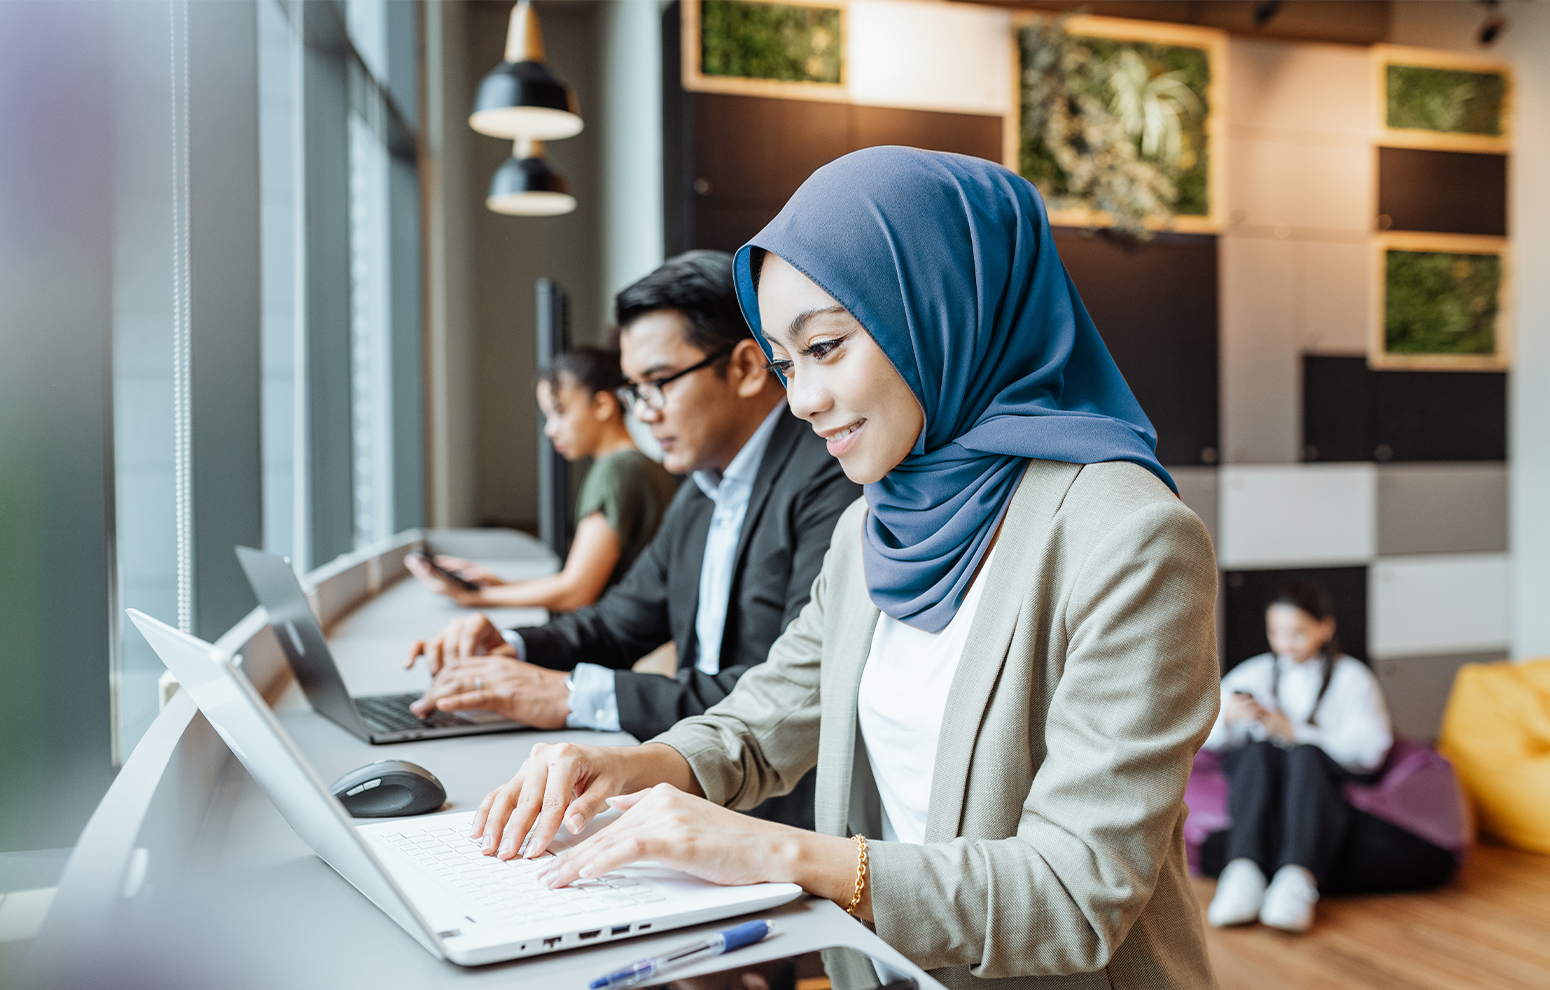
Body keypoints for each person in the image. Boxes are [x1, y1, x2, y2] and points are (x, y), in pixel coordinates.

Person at [463, 148, 1222, 989]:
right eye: (786, 363)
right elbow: (769, 715)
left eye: (826, 346)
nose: (802, 399)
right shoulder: (876, 518)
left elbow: (1074, 895)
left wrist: (778, 852)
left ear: (941, 308)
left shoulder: (1129, 537)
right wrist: (634, 766)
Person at [405, 250, 861, 829]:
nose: (644, 414)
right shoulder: (705, 487)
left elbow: (775, 694)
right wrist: (511, 650)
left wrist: (571, 695)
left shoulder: (831, 476)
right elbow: (619, 623)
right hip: (700, 790)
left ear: (747, 368)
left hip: (781, 810)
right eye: (635, 390)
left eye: (658, 384)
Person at [408, 345, 681, 612]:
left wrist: (477, 597)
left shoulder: (619, 472)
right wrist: (501, 586)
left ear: (602, 405)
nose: (551, 430)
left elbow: (577, 592)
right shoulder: (642, 465)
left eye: (560, 412)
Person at [1201, 581, 1394, 933]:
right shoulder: (1254, 672)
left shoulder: (1353, 679)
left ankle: (1296, 878)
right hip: (1259, 772)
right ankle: (1243, 872)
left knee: (1305, 755)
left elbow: (1371, 750)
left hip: (1319, 777)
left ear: (1325, 628)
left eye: (1298, 632)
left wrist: (1299, 734)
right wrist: (1227, 718)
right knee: (1257, 751)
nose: (1285, 643)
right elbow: (1202, 737)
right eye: (1276, 632)